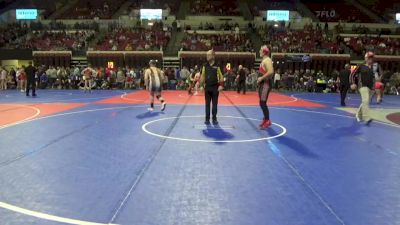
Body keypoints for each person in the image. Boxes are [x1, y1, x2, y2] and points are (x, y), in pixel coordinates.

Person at [350, 51, 375, 125]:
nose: (371, 59)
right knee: (365, 101)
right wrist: (352, 83)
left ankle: (358, 114)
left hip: (370, 88)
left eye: (372, 58)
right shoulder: (361, 66)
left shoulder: (372, 67)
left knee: (365, 101)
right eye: (369, 58)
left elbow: (372, 78)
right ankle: (366, 118)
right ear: (366, 58)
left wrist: (373, 88)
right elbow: (352, 74)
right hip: (362, 86)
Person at [200, 50, 224, 125]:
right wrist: (201, 86)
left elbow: (221, 76)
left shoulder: (218, 65)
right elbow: (202, 76)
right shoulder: (204, 65)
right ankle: (207, 119)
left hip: (215, 88)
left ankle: (214, 119)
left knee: (214, 105)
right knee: (207, 104)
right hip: (207, 87)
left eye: (208, 55)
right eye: (206, 55)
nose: (207, 56)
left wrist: (221, 85)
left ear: (213, 56)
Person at [257, 45, 274, 129]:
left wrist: (261, 78)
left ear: (264, 52)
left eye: (260, 50)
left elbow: (271, 71)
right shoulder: (264, 60)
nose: (259, 51)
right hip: (263, 84)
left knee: (262, 102)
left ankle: (267, 120)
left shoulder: (267, 60)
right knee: (261, 102)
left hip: (265, 84)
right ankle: (265, 118)